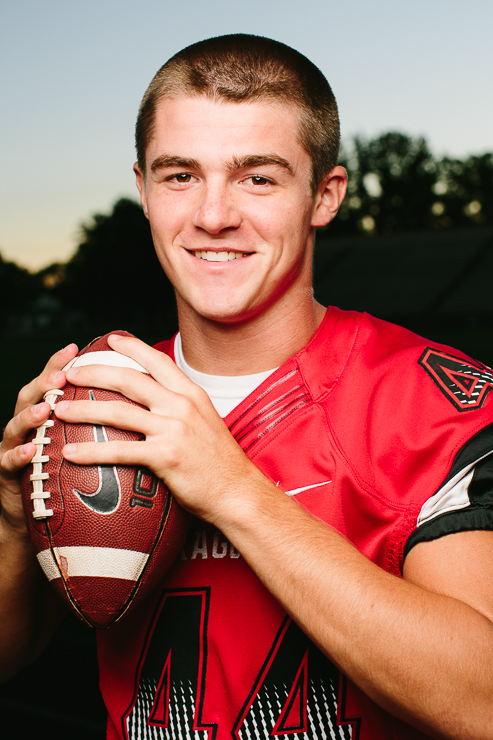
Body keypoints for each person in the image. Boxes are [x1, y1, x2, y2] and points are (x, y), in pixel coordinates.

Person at [1, 34, 493, 740]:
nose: (212, 216)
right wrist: (17, 525)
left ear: (324, 195)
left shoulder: (432, 403)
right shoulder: (102, 404)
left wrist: (234, 492)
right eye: (179, 176)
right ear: (141, 188)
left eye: (256, 177)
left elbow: (478, 701)